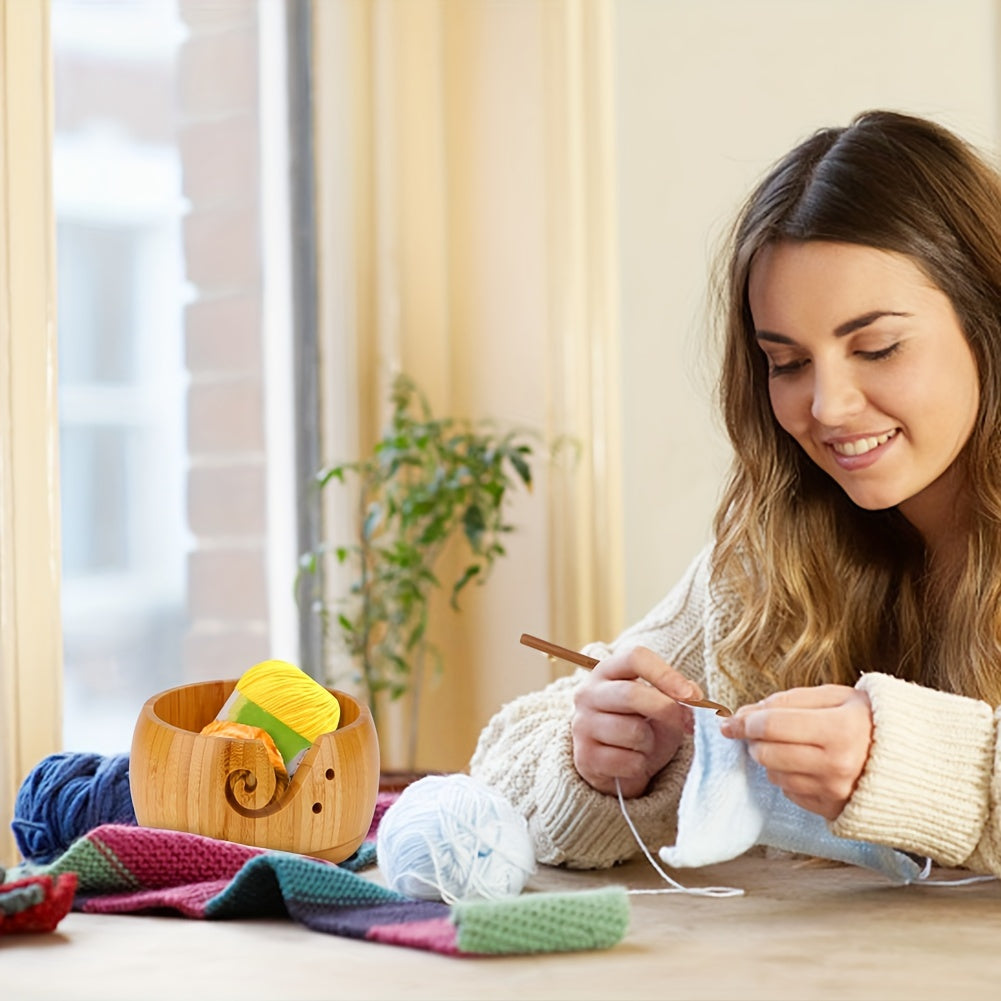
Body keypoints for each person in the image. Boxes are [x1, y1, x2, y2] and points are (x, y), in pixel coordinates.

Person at [468, 109, 1001, 874]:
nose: (827, 406)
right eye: (786, 363)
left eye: (876, 348)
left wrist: (917, 767)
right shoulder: (775, 555)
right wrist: (599, 762)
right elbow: (495, 782)